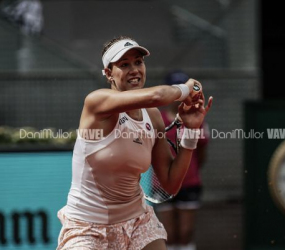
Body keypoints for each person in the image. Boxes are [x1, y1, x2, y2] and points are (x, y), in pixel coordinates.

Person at [56, 36, 213, 250]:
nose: (134, 70)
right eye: (124, 64)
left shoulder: (153, 116)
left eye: (138, 62)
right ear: (108, 73)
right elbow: (157, 95)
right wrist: (187, 88)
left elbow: (170, 183)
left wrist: (191, 130)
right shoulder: (97, 102)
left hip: (137, 221)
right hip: (87, 226)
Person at [156, 71, 209, 250]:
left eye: (183, 89)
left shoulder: (196, 117)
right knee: (168, 232)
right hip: (162, 183)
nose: (179, 95)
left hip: (189, 181)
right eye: (175, 90)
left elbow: (201, 150)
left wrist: (188, 169)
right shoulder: (158, 119)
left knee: (186, 232)